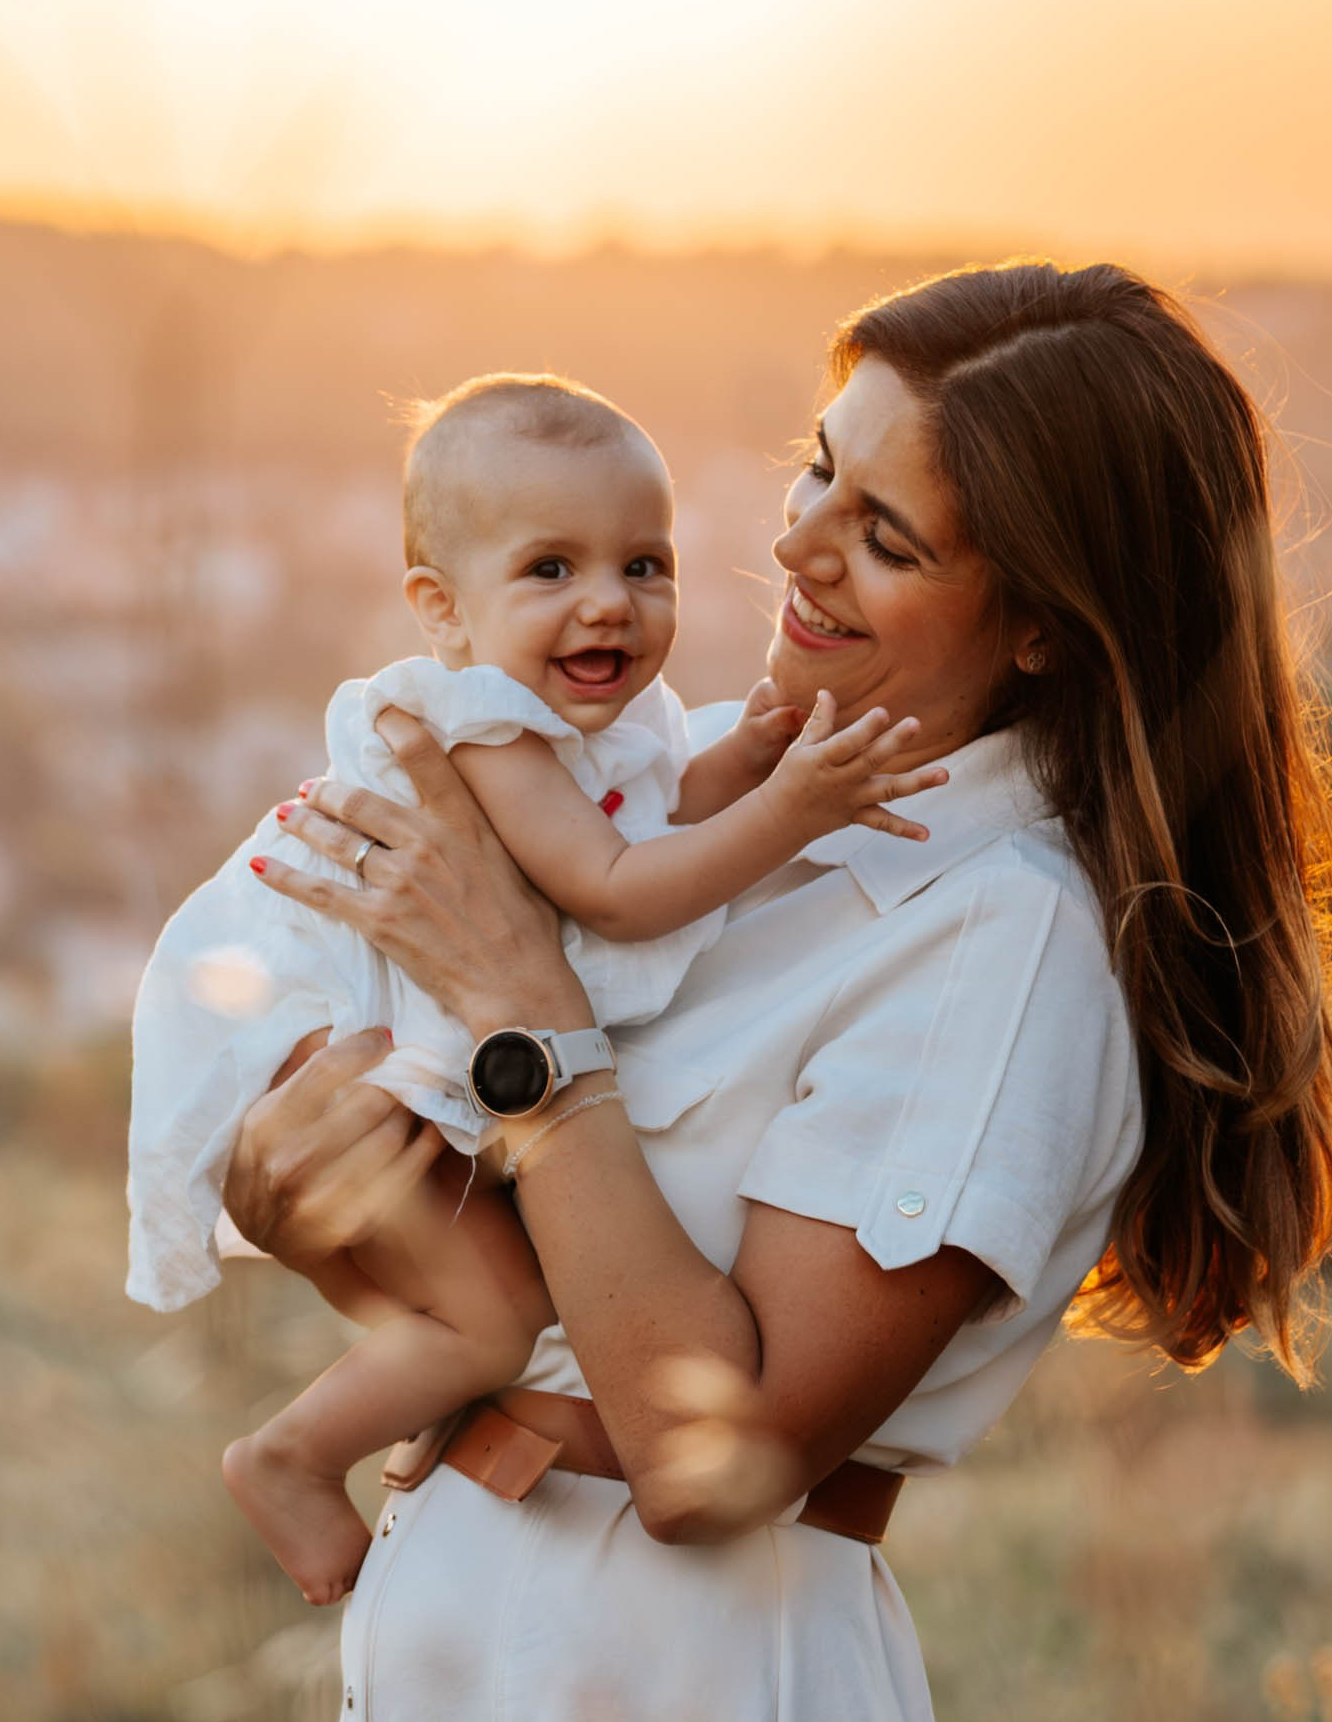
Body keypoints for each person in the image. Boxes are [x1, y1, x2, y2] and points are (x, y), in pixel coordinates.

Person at [222, 263, 1332, 1722]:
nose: (787, 550)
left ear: (1046, 617)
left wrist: (519, 1030)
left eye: (881, 529)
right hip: (486, 1621)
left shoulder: (1002, 942)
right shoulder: (738, 819)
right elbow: (574, 1280)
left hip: (684, 1693)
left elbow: (720, 1448)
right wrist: (331, 1198)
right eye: (809, 468)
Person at [126, 371, 943, 1604]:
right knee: (491, 1320)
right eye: (550, 570)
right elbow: (613, 886)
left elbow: (661, 820)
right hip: (315, 1024)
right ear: (441, 612)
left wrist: (748, 755)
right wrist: (795, 810)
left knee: (485, 1300)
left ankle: (333, 1446)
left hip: (383, 1036)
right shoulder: (482, 725)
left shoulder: (609, 720)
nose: (608, 603)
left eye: (645, 564)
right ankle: (289, 1456)